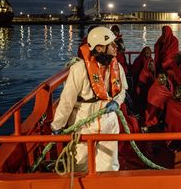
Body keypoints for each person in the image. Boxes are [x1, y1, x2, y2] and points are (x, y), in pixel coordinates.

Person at [51, 26, 128, 172]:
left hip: (109, 125)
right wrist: (57, 125)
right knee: (80, 166)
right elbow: (67, 100)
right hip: (83, 127)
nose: (115, 46)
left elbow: (122, 91)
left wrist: (116, 103)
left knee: (109, 166)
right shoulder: (79, 69)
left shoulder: (118, 68)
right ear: (99, 48)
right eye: (111, 44)